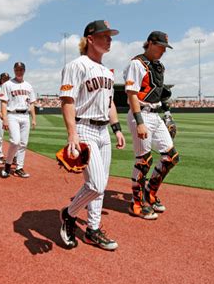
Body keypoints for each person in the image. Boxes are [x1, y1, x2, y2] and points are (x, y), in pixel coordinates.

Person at [58, 20, 126, 251]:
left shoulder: (107, 71)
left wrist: (116, 129)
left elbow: (110, 103)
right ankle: (69, 213)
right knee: (95, 184)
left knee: (102, 184)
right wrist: (72, 134)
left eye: (110, 36)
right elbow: (67, 101)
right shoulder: (76, 65)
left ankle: (93, 230)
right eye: (104, 35)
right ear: (90, 39)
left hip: (103, 130)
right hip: (84, 127)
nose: (109, 39)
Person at [123, 31, 179, 220]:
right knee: (144, 160)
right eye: (161, 46)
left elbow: (162, 95)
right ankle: (136, 204)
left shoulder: (159, 66)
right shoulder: (136, 64)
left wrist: (168, 116)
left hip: (156, 115)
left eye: (165, 47)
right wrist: (139, 123)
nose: (164, 50)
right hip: (142, 115)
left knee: (171, 157)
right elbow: (131, 95)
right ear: (150, 43)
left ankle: (149, 191)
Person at [0, 63, 36, 178]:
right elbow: (4, 103)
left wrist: (34, 118)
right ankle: (8, 165)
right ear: (14, 70)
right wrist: (5, 119)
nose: (19, 72)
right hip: (12, 115)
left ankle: (19, 168)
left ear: (24, 70)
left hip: (25, 116)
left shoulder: (29, 86)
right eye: (17, 70)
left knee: (23, 143)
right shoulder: (7, 84)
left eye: (21, 70)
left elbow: (32, 103)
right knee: (15, 141)